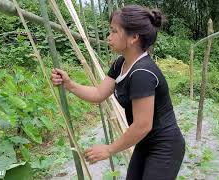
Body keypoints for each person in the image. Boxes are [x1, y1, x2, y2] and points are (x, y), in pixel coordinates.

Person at [51, 5, 185, 180]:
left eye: (114, 31)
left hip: (165, 146)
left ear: (134, 37)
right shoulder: (121, 63)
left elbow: (143, 125)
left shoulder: (142, 74)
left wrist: (109, 149)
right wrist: (70, 84)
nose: (109, 37)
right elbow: (99, 93)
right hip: (144, 142)